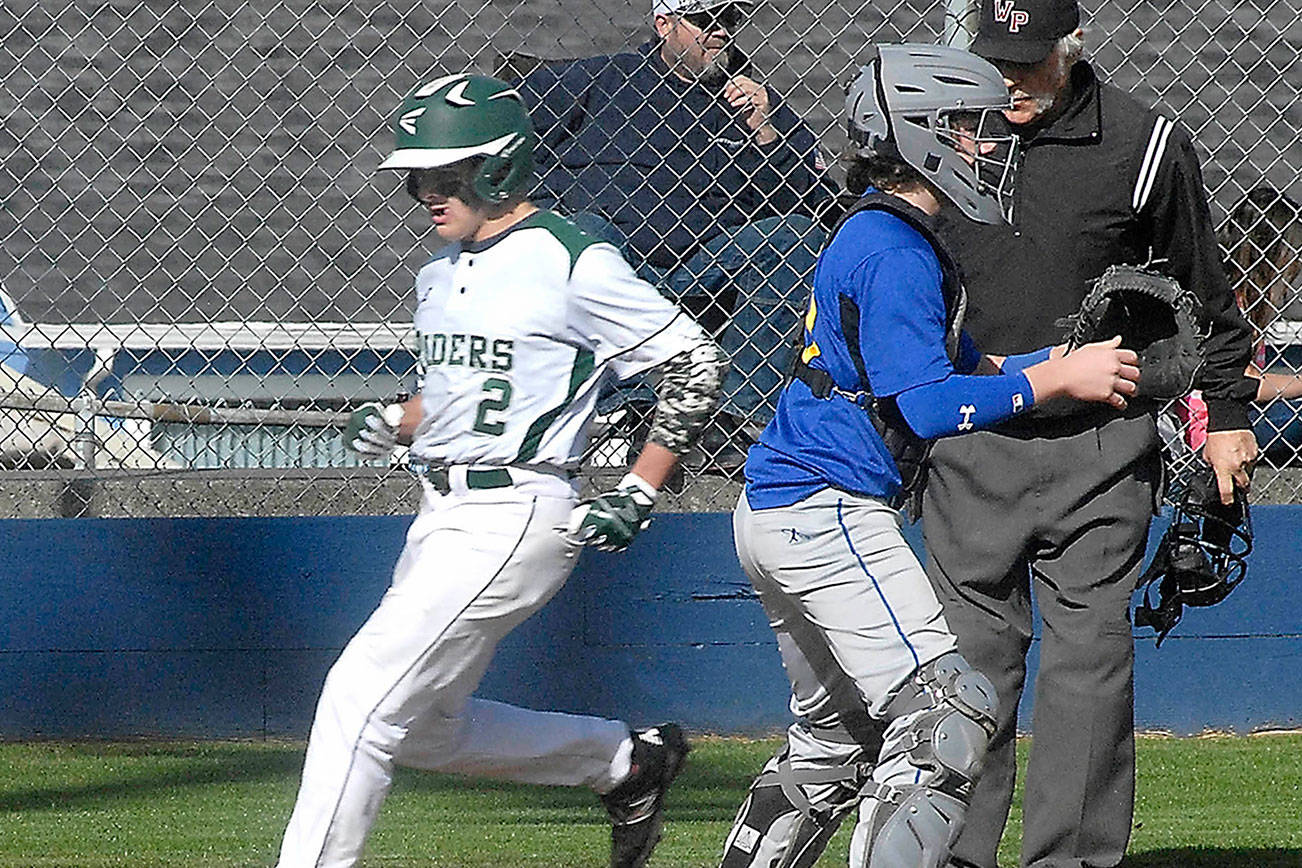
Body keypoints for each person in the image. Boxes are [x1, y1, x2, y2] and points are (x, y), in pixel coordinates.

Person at [275, 73, 726, 868]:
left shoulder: (571, 260)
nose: (427, 193)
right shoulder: (439, 273)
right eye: (419, 177)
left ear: (499, 168)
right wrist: (399, 419)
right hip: (440, 512)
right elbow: (460, 397)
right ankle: (624, 762)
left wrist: (638, 488)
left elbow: (695, 361)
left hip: (515, 511)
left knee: (358, 696)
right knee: (422, 728)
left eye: (446, 175)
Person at [716, 44, 1140, 868]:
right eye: (967, 127)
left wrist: (1064, 365)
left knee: (837, 740)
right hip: (826, 511)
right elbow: (929, 406)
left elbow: (967, 368)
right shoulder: (895, 251)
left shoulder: (885, 232)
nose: (986, 144)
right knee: (947, 714)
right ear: (918, 135)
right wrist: (1054, 381)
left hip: (778, 512)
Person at [923, 1, 1262, 866]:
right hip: (973, 436)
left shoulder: (1144, 143)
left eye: (1029, 59)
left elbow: (1209, 298)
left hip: (1102, 444)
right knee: (969, 667)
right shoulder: (943, 135)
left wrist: (1226, 416)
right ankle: (954, 855)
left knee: (1090, 668)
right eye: (996, 58)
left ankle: (1070, 859)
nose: (1009, 79)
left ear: (1072, 48)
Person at [514, 0, 839, 465]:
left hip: (704, 270)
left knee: (795, 238)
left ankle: (733, 419)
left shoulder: (751, 101)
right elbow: (505, 137)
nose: (721, 31)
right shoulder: (600, 80)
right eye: (706, 20)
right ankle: (633, 408)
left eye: (730, 20)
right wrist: (549, 207)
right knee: (587, 231)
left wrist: (766, 133)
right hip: (612, 264)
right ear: (664, 24)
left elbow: (816, 206)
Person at [1178, 187, 1302, 453]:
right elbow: (1243, 380)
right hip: (1211, 426)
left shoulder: (1242, 298)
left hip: (1234, 413)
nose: (1297, 266)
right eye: (1293, 254)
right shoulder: (1235, 304)